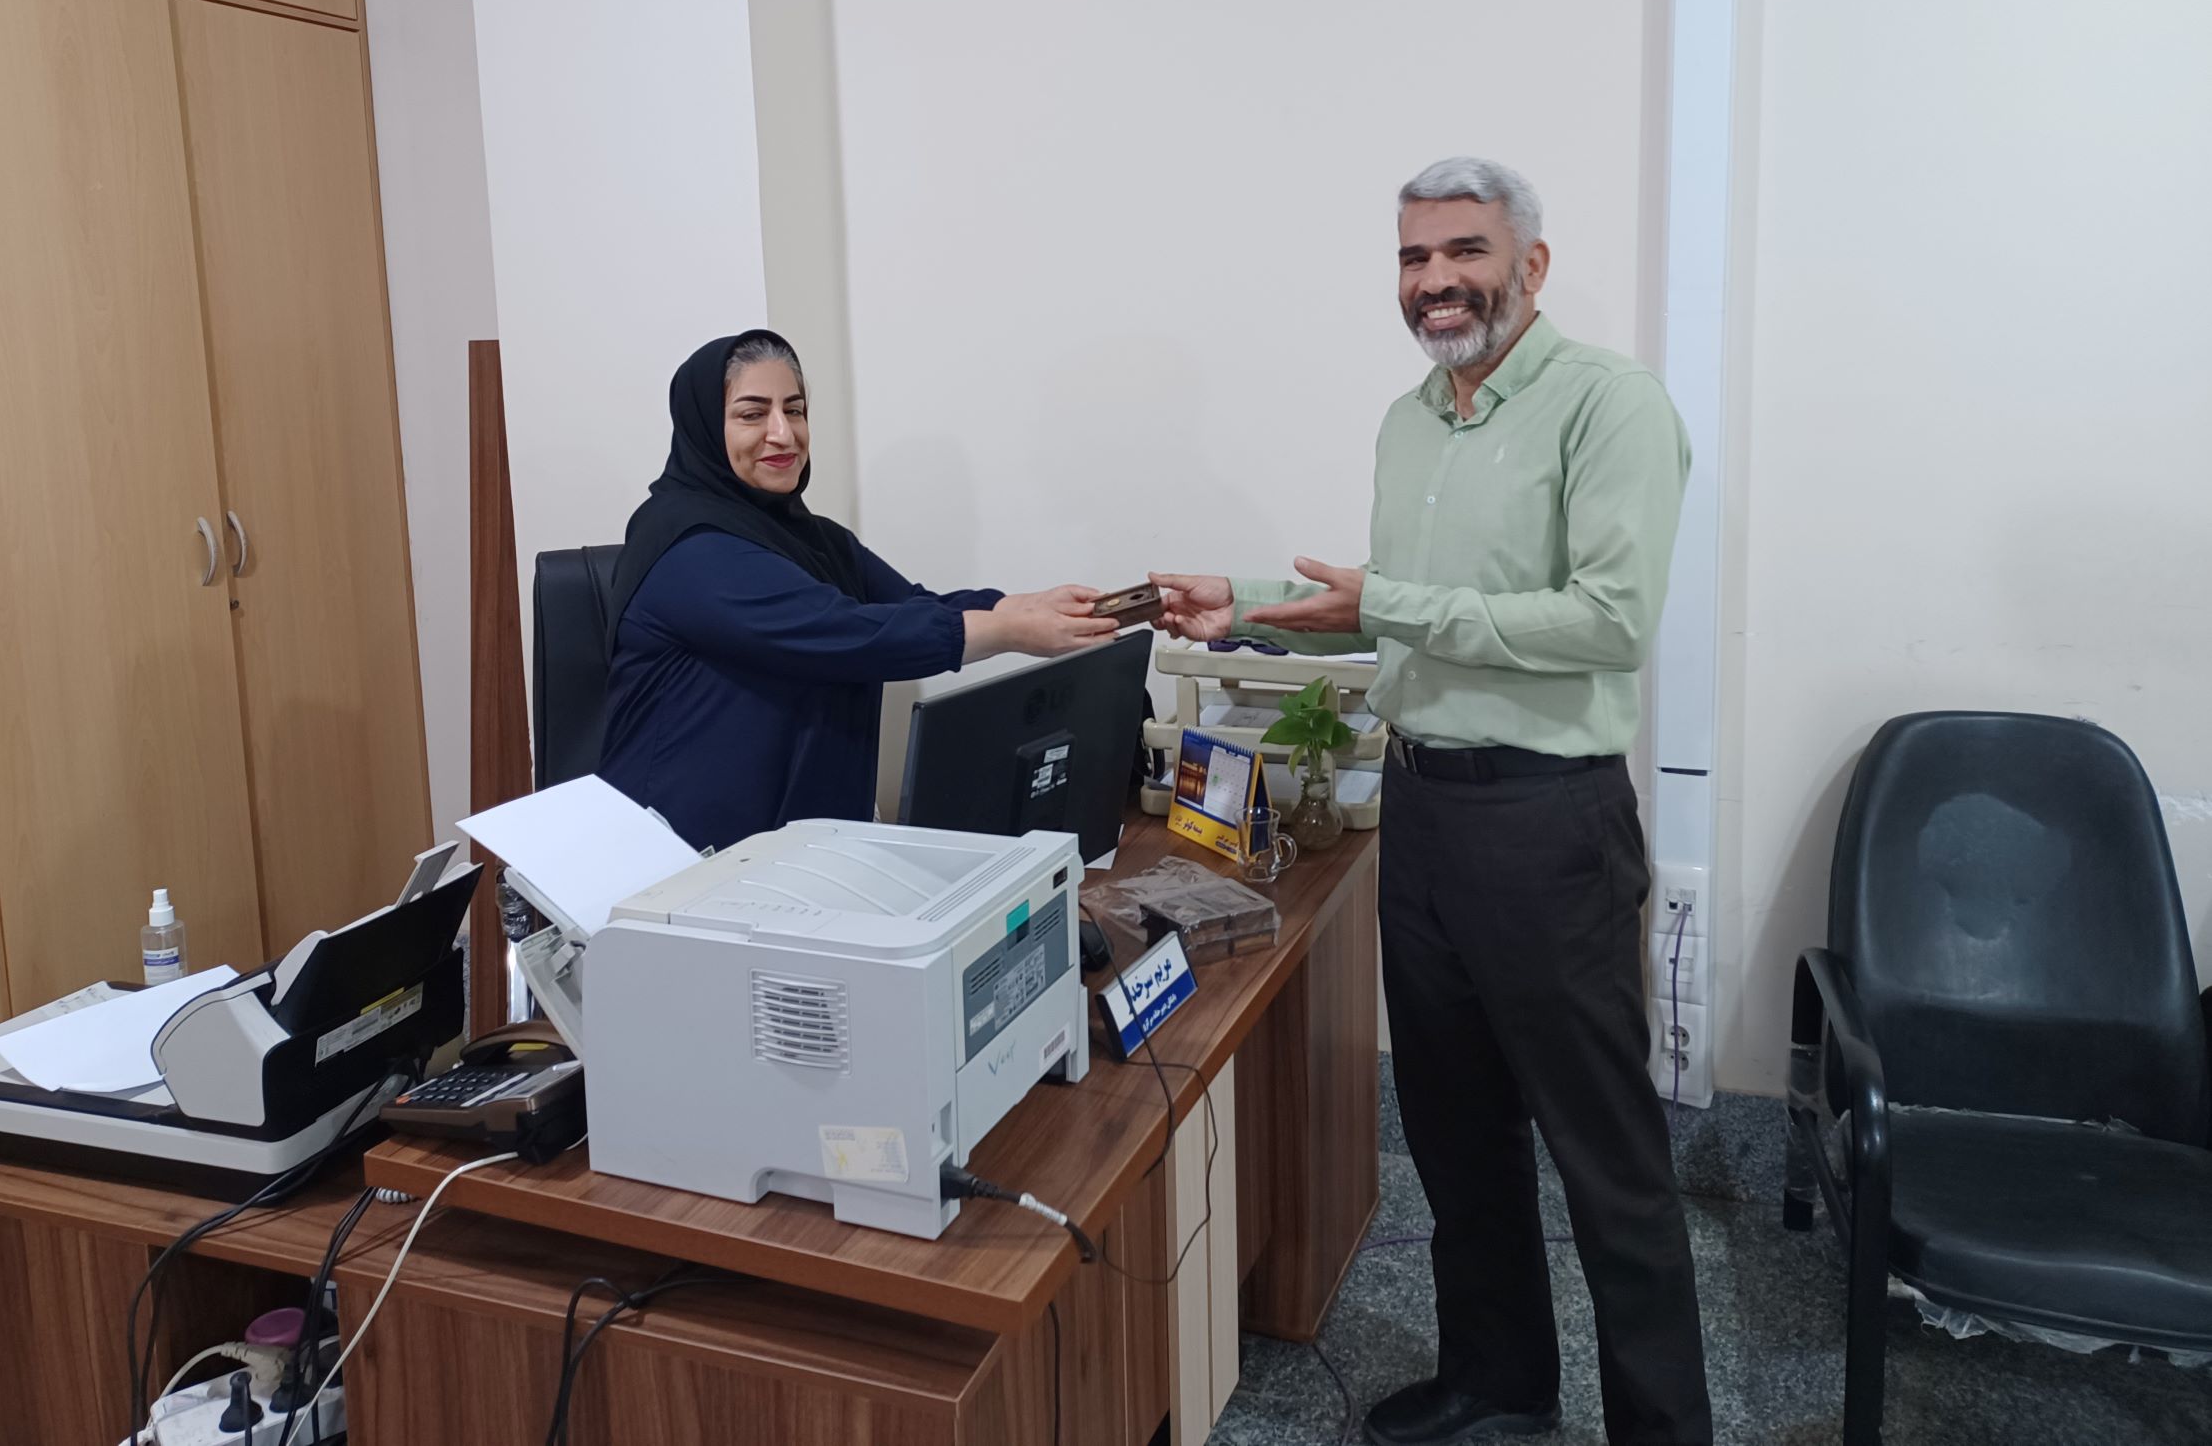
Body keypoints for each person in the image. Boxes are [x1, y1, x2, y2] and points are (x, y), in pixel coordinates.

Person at [1154, 158, 1710, 1446]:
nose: (1435, 280)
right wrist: (1244, 607)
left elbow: (1608, 622)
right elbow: (1392, 620)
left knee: (1606, 1159)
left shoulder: (1608, 405)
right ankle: (1497, 1378)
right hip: (1421, 813)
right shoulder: (1408, 421)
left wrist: (1385, 601)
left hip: (1547, 823)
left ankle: (1663, 1428)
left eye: (1464, 251)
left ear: (1531, 264)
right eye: (1413, 257)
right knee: (1454, 1128)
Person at [597, 329, 1114, 851]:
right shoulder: (687, 547)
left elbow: (913, 606)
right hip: (683, 860)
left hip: (801, 852)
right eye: (752, 414)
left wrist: (1029, 606)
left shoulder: (816, 539)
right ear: (705, 426)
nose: (783, 433)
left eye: (794, 410)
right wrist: (1009, 631)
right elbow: (845, 635)